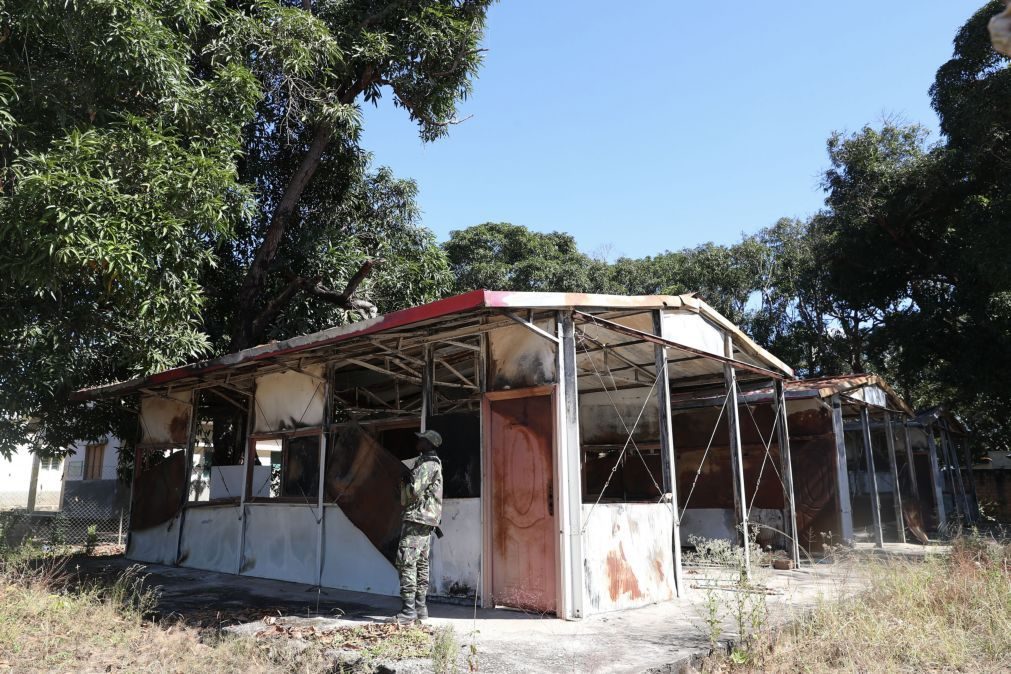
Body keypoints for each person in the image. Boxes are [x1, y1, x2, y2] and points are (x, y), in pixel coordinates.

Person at [392, 429, 443, 623]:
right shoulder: (433, 463)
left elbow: (413, 492)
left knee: (406, 561)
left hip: (417, 519)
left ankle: (408, 612)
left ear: (429, 444)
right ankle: (420, 608)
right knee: (421, 564)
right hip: (426, 520)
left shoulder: (427, 464)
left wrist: (404, 483)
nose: (417, 442)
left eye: (421, 439)